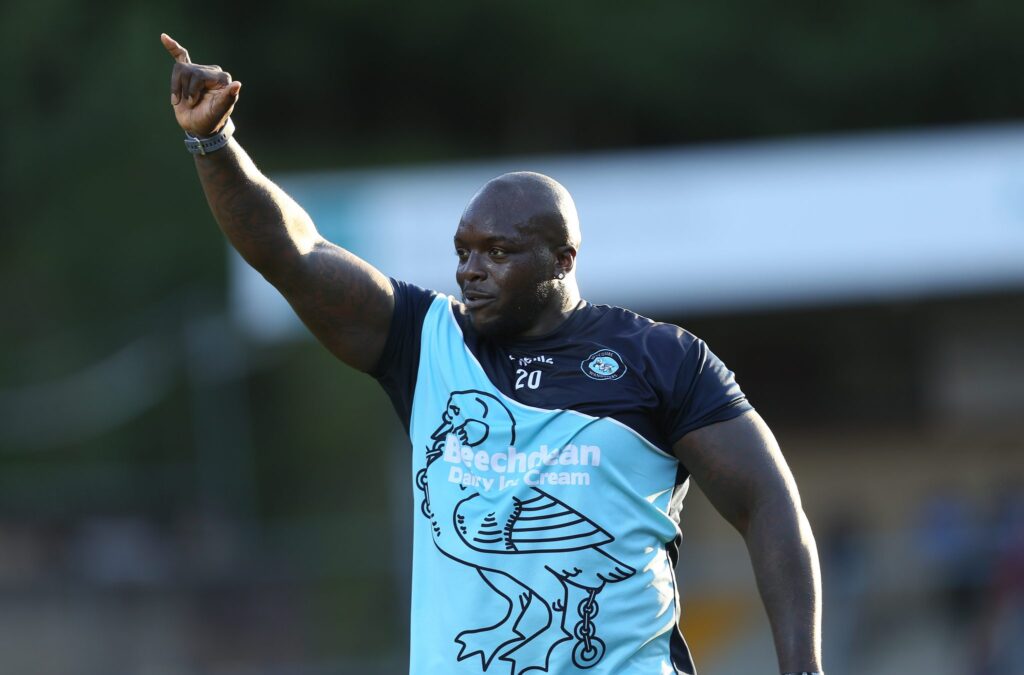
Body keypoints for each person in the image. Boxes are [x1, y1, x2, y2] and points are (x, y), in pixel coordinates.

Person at [160, 33, 824, 675]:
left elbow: (767, 500)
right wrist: (213, 142)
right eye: (464, 250)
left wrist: (803, 666)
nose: (472, 270)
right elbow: (293, 253)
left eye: (499, 252)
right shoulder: (425, 342)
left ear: (563, 259)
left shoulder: (661, 358)